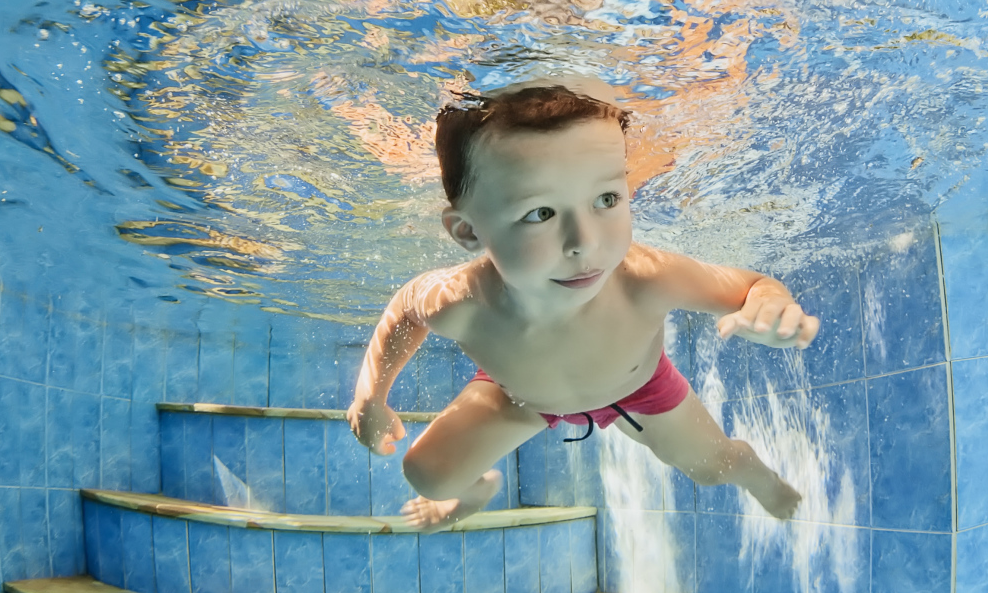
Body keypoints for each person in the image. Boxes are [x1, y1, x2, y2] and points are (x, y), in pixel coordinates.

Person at [346, 79, 820, 532]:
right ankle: (473, 494)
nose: (585, 242)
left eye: (607, 199)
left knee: (713, 468)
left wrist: (771, 305)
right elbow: (406, 309)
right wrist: (370, 397)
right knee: (427, 474)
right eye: (540, 213)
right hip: (520, 394)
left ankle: (757, 474)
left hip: (640, 388)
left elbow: (754, 285)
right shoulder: (463, 303)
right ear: (468, 232)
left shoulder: (645, 277)